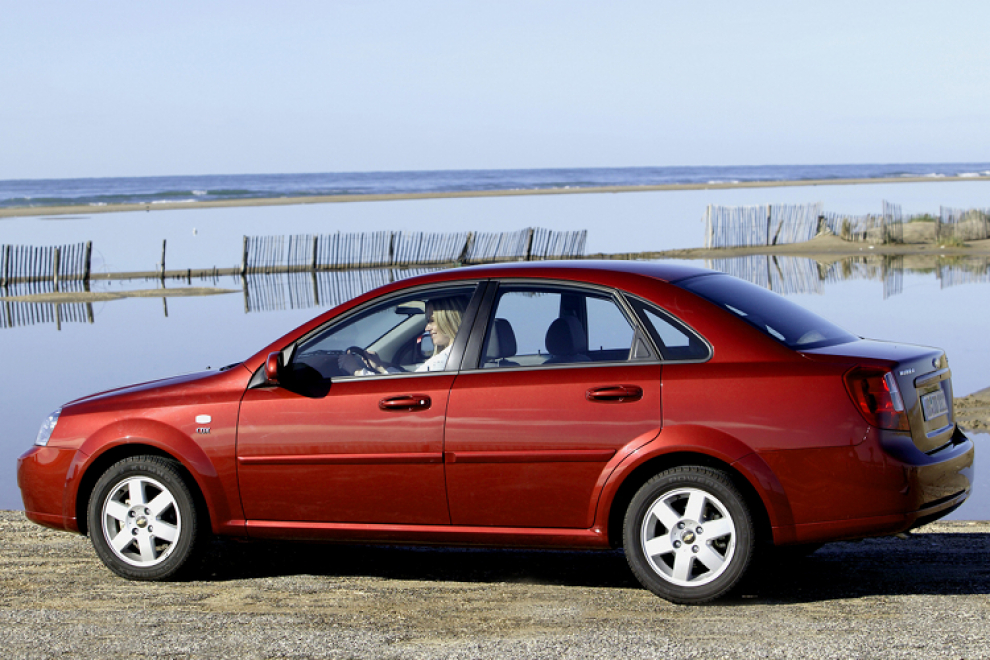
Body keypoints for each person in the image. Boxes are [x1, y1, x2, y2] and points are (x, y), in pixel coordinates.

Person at [338, 295, 467, 375]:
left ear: (449, 320)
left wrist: (357, 371)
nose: (427, 328)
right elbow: (413, 381)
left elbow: (406, 392)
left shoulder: (445, 361)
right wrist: (381, 367)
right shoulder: (456, 357)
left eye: (432, 321)